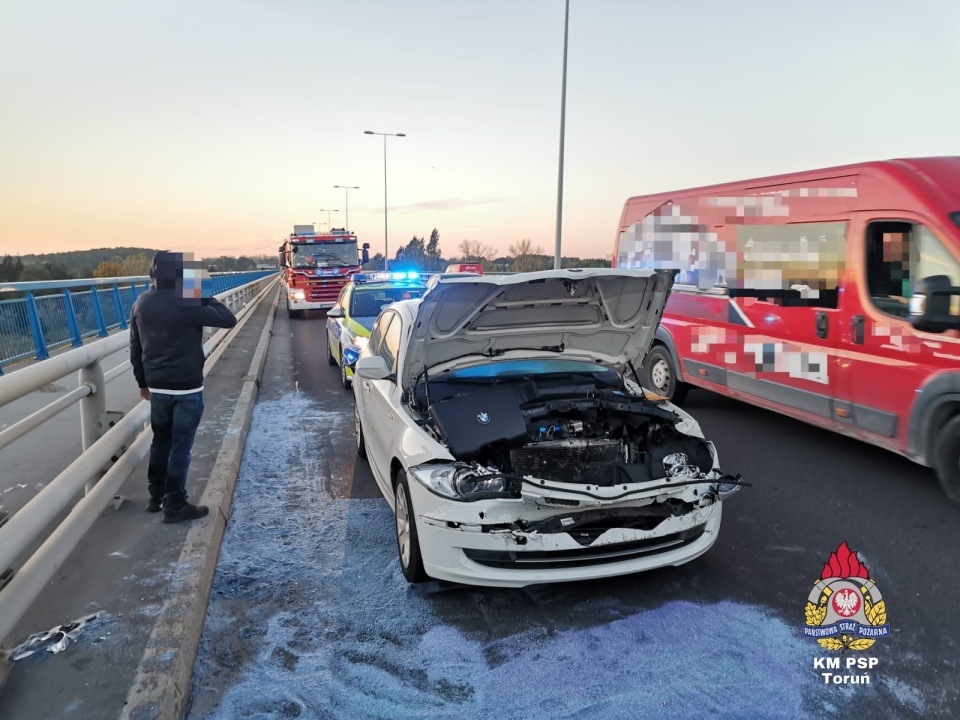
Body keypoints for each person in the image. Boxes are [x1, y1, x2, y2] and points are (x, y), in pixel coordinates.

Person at [130, 251, 237, 523]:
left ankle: (156, 496)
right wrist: (200, 293)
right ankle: (175, 503)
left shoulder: (141, 303)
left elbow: (135, 347)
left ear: (153, 275)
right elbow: (227, 318)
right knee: (180, 446)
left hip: (157, 387)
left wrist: (142, 383)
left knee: (160, 440)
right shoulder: (188, 302)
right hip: (186, 388)